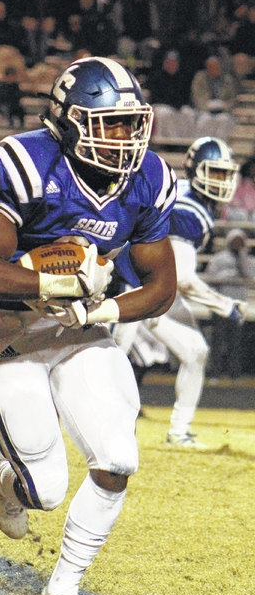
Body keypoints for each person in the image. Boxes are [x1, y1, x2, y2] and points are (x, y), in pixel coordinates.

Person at [0, 56, 177, 595]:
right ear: (68, 121)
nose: (125, 138)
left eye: (131, 123)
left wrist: (101, 312)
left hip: (81, 329)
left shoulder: (148, 178)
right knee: (46, 490)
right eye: (110, 124)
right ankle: (2, 474)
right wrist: (62, 286)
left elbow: (161, 286)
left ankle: (64, 588)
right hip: (10, 330)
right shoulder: (27, 163)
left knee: (118, 459)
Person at [112, 137, 244, 449]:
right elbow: (183, 278)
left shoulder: (187, 197)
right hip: (131, 286)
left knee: (195, 351)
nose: (221, 182)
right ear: (195, 170)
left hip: (150, 286)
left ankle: (179, 431)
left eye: (225, 175)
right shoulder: (191, 209)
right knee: (110, 358)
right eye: (215, 173)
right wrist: (225, 305)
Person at [205, 227, 255, 380]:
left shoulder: (247, 259)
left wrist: (242, 256)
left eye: (241, 241)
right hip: (221, 303)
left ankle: (234, 374)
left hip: (238, 305)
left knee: (236, 341)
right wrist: (225, 275)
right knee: (218, 340)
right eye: (235, 241)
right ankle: (215, 373)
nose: (237, 244)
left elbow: (250, 275)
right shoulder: (219, 258)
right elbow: (209, 277)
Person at [190, 56, 239, 141]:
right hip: (205, 110)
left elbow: (232, 99)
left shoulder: (227, 80)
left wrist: (224, 106)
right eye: (211, 67)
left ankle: (220, 146)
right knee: (204, 121)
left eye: (216, 67)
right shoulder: (200, 78)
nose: (214, 69)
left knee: (224, 120)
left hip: (223, 111)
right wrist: (207, 106)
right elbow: (197, 96)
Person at [222, 155, 255, 222]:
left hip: (251, 219)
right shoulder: (238, 180)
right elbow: (228, 201)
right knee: (239, 215)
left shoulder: (251, 185)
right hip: (235, 218)